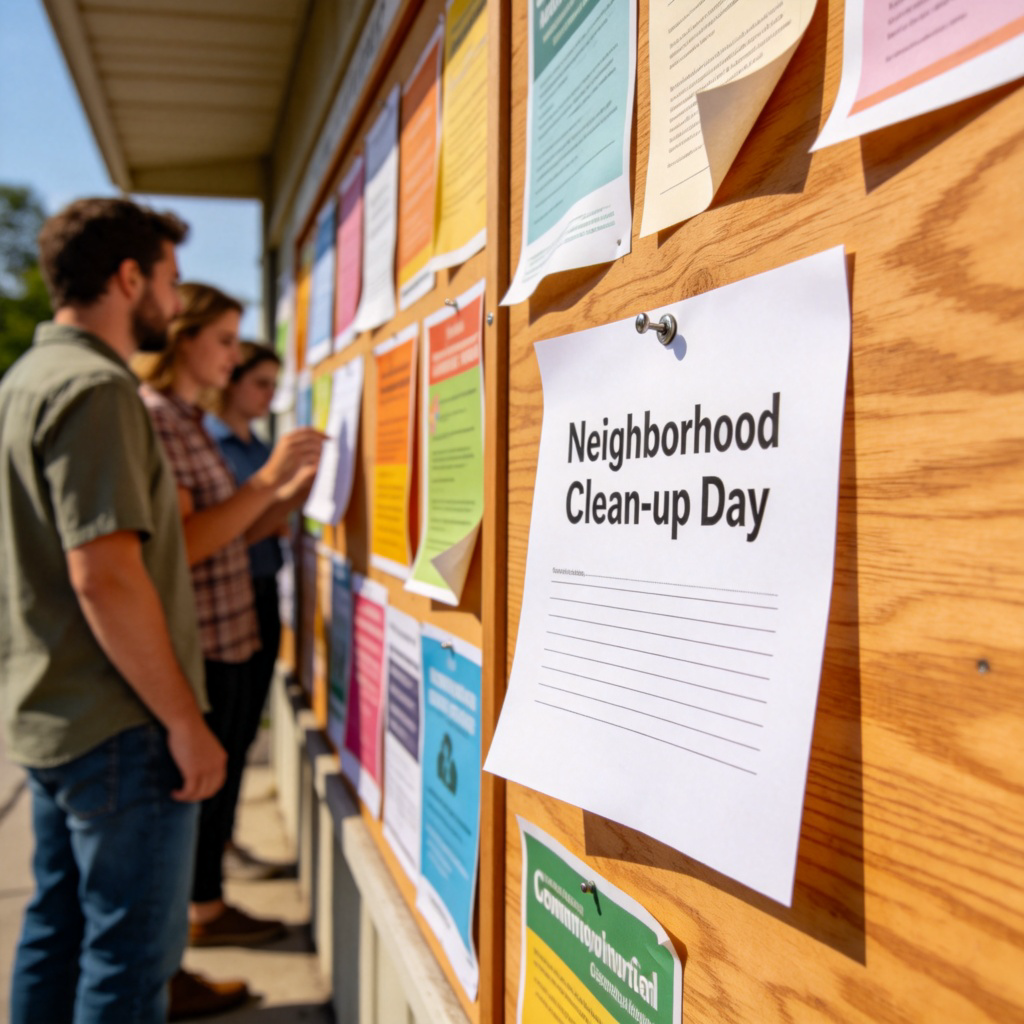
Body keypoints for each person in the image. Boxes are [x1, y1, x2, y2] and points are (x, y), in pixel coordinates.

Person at [0, 197, 228, 1023]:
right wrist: (185, 722)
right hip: (119, 727)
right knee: (129, 963)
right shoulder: (97, 388)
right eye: (169, 279)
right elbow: (105, 576)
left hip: (54, 713)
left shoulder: (24, 380)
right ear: (130, 278)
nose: (174, 298)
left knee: (56, 932)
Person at [135, 283, 324, 952]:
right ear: (182, 339)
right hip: (203, 641)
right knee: (201, 786)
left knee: (227, 772)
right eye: (222, 341)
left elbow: (234, 531)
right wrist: (269, 481)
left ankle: (206, 903)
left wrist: (286, 493)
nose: (231, 356)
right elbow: (186, 545)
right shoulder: (157, 418)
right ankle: (200, 913)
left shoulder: (185, 418)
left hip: (232, 630)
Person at [204, 342, 291, 879]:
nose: (269, 395)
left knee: (243, 730)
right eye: (260, 382)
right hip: (228, 600)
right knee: (225, 733)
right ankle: (210, 860)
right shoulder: (211, 445)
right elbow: (225, 534)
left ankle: (223, 842)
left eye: (274, 384)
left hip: (264, 590)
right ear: (230, 382)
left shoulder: (257, 445)